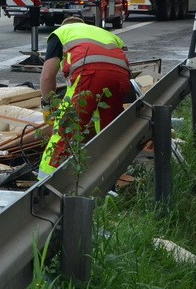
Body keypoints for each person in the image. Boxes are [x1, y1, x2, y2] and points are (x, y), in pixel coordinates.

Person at [38, 16, 132, 179]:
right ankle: (112, 179)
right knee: (109, 129)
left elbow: (47, 76)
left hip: (90, 74)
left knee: (65, 129)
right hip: (121, 77)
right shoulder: (104, 33)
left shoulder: (61, 33)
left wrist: (48, 104)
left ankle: (46, 182)